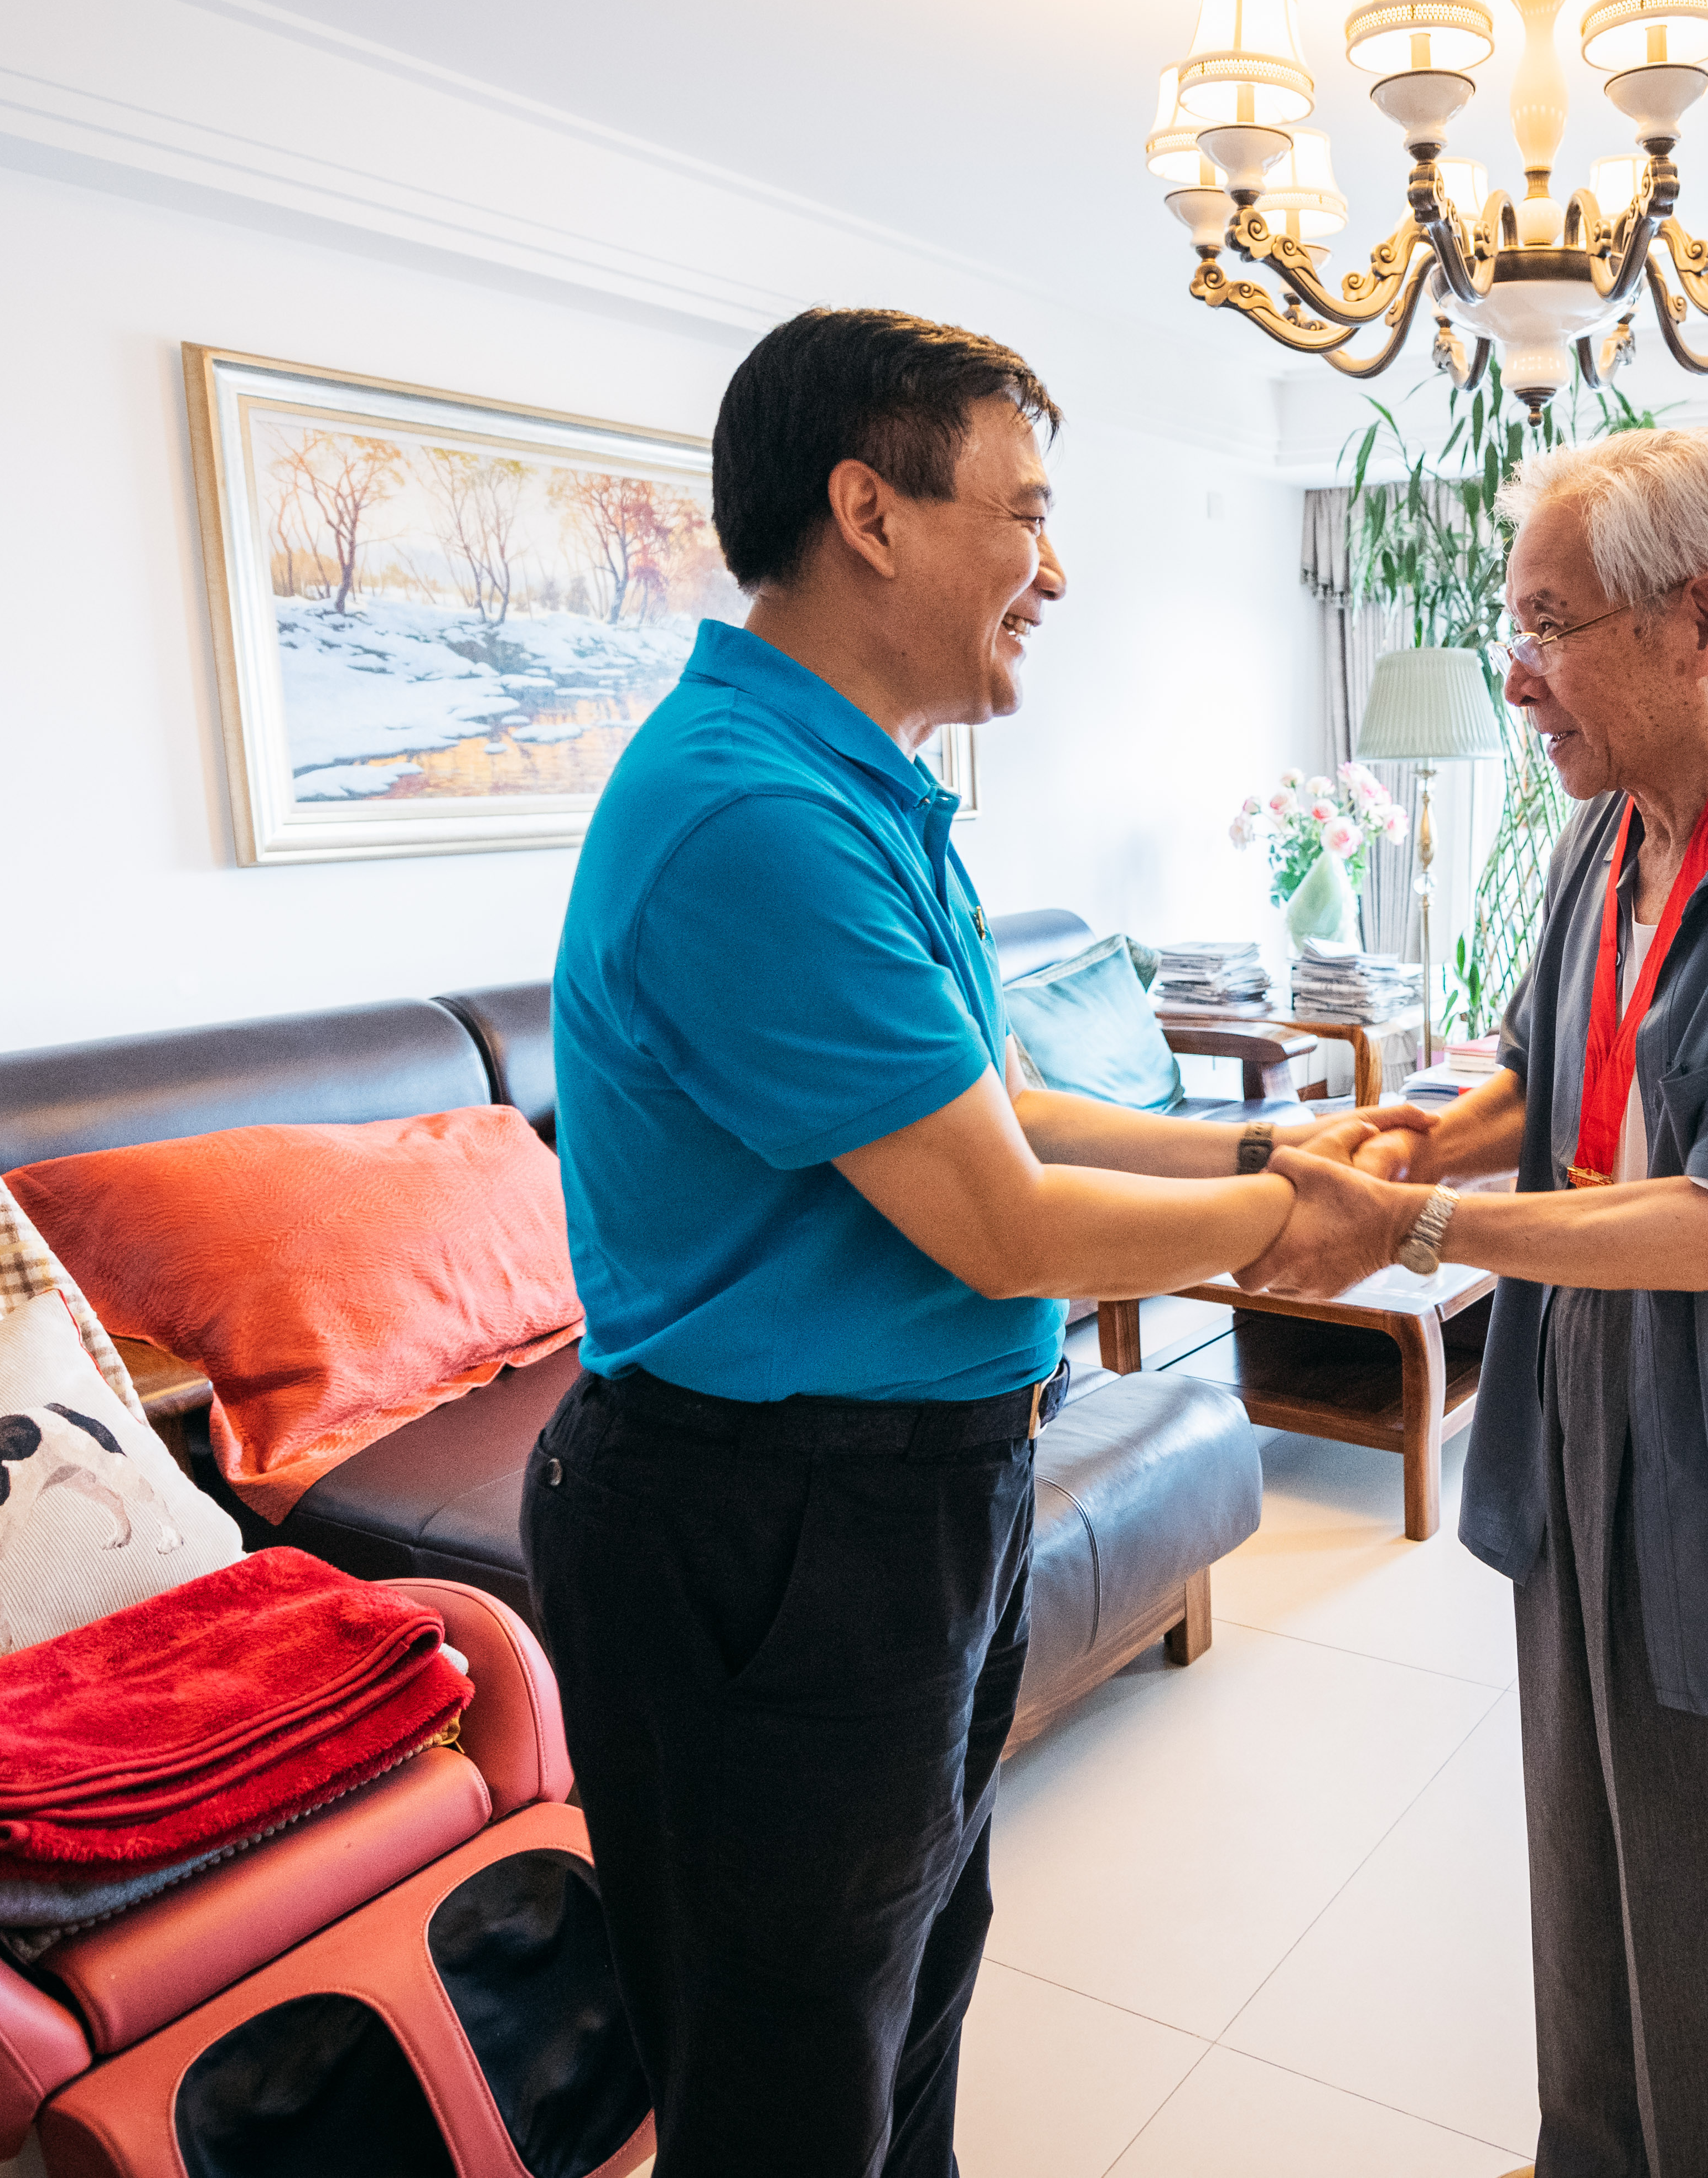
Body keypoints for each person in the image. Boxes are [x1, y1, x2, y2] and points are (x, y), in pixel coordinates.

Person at [526, 307, 1414, 2178]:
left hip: (907, 1490)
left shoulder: (859, 782)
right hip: (773, 1516)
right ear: (868, 512)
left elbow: (1003, 1109)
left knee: (905, 2000)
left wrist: (1272, 1140)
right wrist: (1297, 1219)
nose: (1054, 570)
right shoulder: (752, 814)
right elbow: (1005, 1225)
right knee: (790, 2085)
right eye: (1025, 513)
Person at [1252, 425, 1708, 2177]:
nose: (1517, 676)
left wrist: (1415, 1224)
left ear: (1698, 621)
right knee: (1582, 1842)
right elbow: (1543, 1068)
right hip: (1582, 1411)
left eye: (1548, 627)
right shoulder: (1603, 832)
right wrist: (1404, 1135)